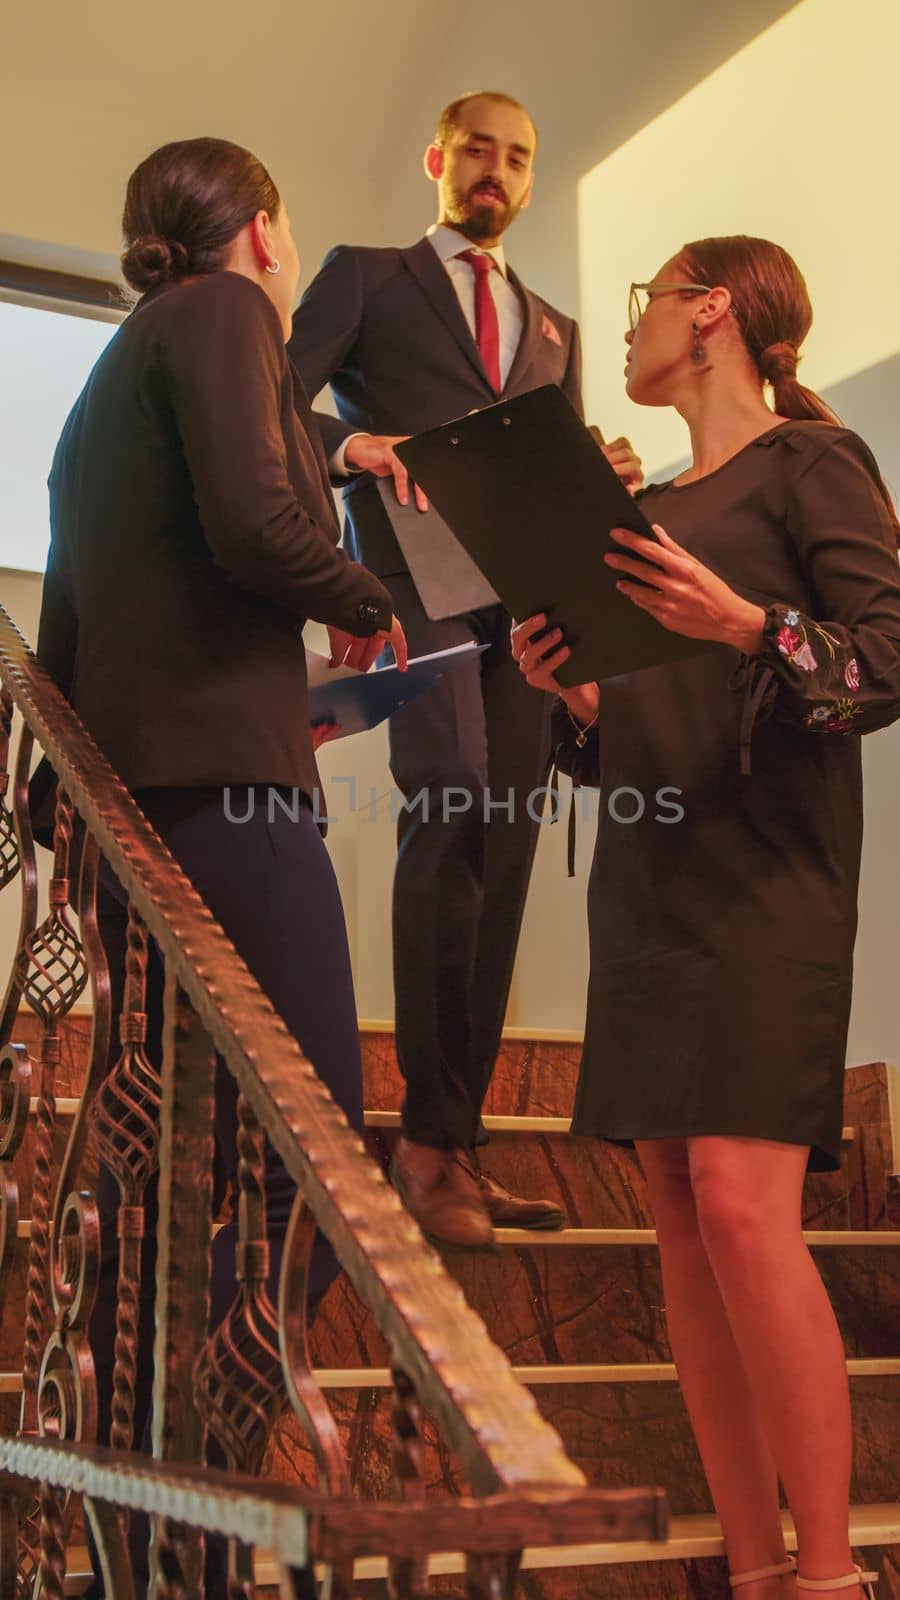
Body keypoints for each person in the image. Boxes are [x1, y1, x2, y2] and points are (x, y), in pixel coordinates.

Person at [35, 135, 406, 1599]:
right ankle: (204, 1416)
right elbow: (262, 524)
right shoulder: (232, 310)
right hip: (228, 802)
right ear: (258, 228)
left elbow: (77, 625)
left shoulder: (98, 388)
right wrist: (369, 600)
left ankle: (141, 1472)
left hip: (140, 810)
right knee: (321, 1144)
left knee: (182, 1158)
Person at [512, 235, 900, 1600]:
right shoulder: (653, 508)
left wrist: (751, 628)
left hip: (766, 881)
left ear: (714, 312)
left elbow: (884, 662)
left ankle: (833, 1572)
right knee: (679, 1216)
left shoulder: (815, 463)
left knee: (745, 1209)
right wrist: (578, 702)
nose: (632, 331)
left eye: (649, 303)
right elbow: (637, 728)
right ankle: (748, 1570)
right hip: (653, 877)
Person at [288, 89, 642, 1248]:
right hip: (411, 580)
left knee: (507, 842)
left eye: (519, 158)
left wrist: (607, 470)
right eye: (478, 150)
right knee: (445, 820)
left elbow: (554, 471)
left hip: (528, 603)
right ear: (438, 159)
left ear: (530, 179)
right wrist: (355, 449)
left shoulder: (555, 328)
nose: (497, 171)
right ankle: (426, 1158)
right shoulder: (366, 273)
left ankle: (457, 1142)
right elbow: (279, 405)